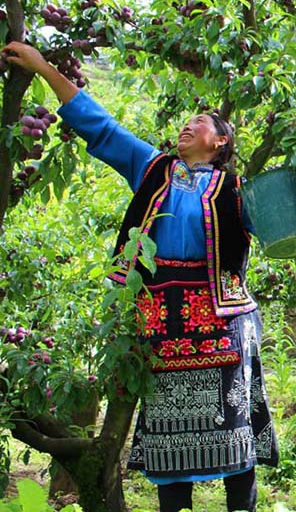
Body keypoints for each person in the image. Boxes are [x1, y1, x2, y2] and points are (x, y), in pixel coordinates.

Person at [3, 41, 278, 512]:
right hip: (162, 319)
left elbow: (283, 225)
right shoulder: (154, 168)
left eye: (199, 124)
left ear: (221, 142)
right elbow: (100, 127)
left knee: (234, 434)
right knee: (171, 440)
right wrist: (44, 68)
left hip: (224, 321)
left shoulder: (238, 189)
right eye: (184, 123)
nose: (186, 127)